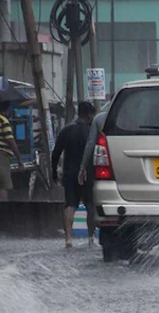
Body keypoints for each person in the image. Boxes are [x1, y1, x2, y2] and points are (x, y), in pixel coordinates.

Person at [52, 102, 97, 248]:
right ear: (89, 114)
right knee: (90, 205)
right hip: (87, 173)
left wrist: (54, 171)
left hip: (70, 173)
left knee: (70, 205)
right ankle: (91, 238)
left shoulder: (66, 131)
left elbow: (56, 153)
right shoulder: (91, 132)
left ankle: (68, 239)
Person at [0, 101, 24, 201]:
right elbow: (10, 141)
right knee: (2, 185)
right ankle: (2, 212)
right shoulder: (3, 120)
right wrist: (19, 159)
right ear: (6, 109)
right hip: (0, 157)